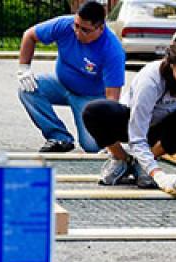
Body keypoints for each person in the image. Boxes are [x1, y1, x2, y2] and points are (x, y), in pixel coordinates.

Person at [83, 39, 176, 197]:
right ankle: (121, 159)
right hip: (130, 124)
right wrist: (158, 174)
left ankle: (140, 164)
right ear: (171, 66)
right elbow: (136, 135)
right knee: (93, 111)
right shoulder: (151, 80)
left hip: (159, 130)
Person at [17, 0, 125, 153]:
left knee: (92, 146)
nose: (77, 32)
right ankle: (59, 137)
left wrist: (108, 135)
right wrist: (24, 68)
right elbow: (29, 35)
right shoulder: (64, 25)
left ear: (101, 28)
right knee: (27, 89)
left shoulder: (112, 50)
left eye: (85, 30)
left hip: (89, 98)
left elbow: (112, 99)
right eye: (76, 26)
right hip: (61, 84)